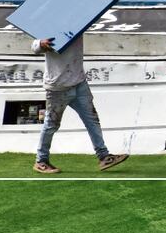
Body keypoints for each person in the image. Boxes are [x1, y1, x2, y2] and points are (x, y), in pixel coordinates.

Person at [32, 35, 128, 174]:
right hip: (58, 87)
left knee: (92, 119)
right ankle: (41, 161)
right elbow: (34, 46)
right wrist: (41, 44)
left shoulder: (77, 25)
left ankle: (104, 156)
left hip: (79, 83)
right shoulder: (50, 26)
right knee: (51, 124)